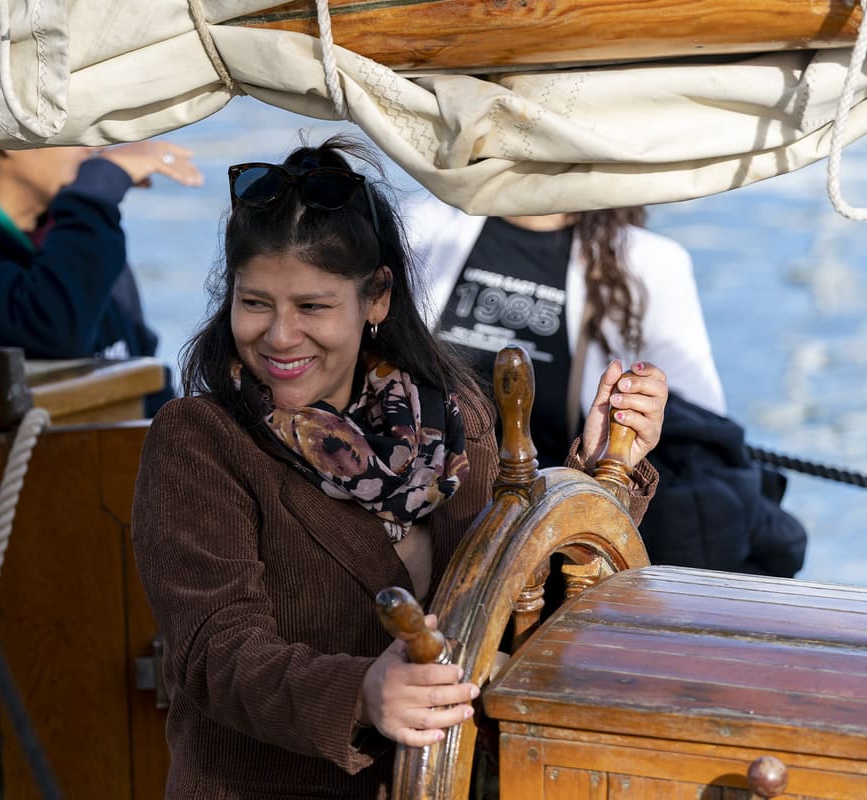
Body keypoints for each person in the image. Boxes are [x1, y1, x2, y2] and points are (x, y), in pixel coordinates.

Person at [131, 135, 668, 798]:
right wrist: (362, 694)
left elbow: (526, 614)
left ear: (377, 297)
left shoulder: (455, 420)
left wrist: (600, 475)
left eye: (313, 307)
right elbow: (216, 654)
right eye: (256, 302)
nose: (278, 336)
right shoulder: (199, 440)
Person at [408, 199, 805, 576]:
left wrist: (644, 420)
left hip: (554, 542)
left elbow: (700, 439)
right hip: (424, 520)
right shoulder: (420, 223)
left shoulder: (650, 265)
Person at [0, 140, 204, 414]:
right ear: (7, 137)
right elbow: (54, 332)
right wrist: (95, 193)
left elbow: (144, 367)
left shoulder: (78, 230)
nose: (94, 146)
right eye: (77, 127)